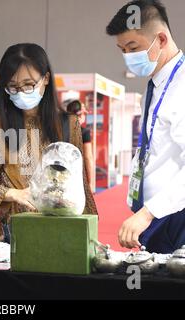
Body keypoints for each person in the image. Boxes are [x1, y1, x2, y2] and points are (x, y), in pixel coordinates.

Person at [0, 43, 98, 242]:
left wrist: (89, 235)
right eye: (13, 86)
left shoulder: (69, 124)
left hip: (62, 227)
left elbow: (79, 183)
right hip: (15, 230)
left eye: (28, 84)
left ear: (46, 79)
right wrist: (12, 193)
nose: (21, 92)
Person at [107, 0, 185, 253]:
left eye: (133, 47)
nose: (128, 57)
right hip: (157, 215)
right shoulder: (156, 85)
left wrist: (148, 213)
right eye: (122, 49)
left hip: (175, 215)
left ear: (161, 39)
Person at [66, 101, 94, 192]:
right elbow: (88, 157)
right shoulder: (84, 132)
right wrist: (91, 183)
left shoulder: (60, 128)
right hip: (77, 176)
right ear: (80, 114)